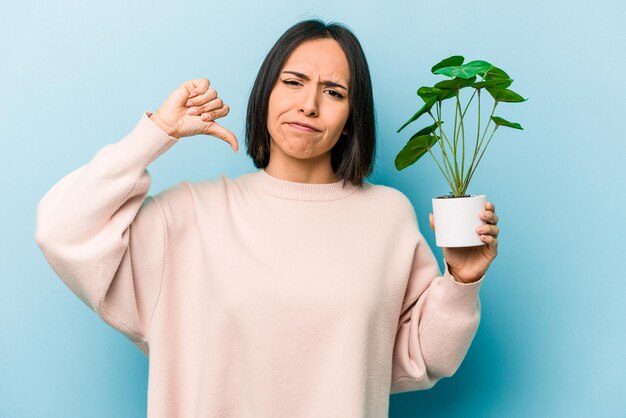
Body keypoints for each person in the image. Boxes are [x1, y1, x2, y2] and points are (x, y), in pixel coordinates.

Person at [35, 18, 499, 418]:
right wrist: (155, 131)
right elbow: (63, 229)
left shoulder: (387, 216)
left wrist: (461, 282)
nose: (309, 104)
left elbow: (417, 359)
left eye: (333, 92)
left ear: (351, 117)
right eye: (293, 82)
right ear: (266, 92)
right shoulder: (190, 215)